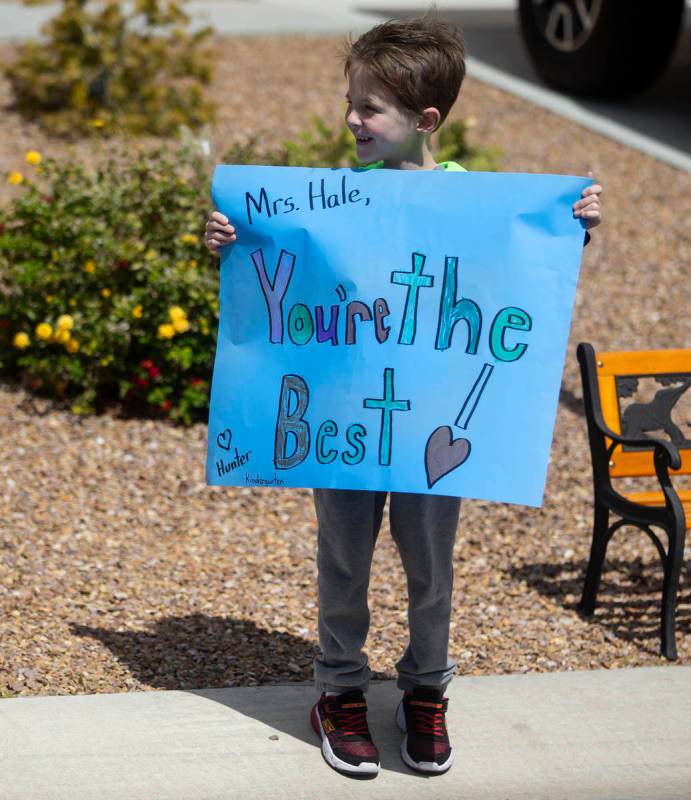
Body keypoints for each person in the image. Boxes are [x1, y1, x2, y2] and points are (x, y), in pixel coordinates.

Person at [204, 15, 603, 778]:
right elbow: (277, 280)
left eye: (369, 108)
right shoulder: (329, 200)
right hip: (345, 428)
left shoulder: (473, 203)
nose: (351, 120)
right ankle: (340, 691)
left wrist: (571, 229)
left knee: (430, 565)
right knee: (343, 559)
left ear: (425, 120)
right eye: (350, 101)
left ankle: (425, 690)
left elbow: (511, 277)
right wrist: (235, 242)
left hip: (431, 429)